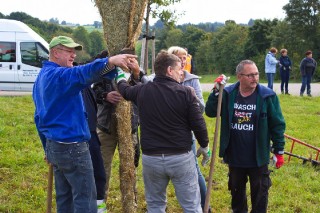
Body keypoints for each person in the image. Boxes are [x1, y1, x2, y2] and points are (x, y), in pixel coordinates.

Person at [32, 35, 136, 212]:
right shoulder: (60, 76)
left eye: (74, 52)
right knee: (86, 198)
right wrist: (110, 61)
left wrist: (47, 149)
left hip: (55, 146)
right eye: (69, 51)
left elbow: (38, 118)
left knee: (65, 198)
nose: (73, 55)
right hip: (73, 147)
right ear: (55, 52)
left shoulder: (43, 76)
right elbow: (83, 72)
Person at [116, 50, 210, 212]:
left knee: (155, 205)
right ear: (169, 70)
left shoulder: (142, 90)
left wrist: (120, 75)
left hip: (152, 159)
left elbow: (124, 91)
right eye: (180, 68)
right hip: (180, 158)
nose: (182, 72)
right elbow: (198, 124)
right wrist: (205, 145)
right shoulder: (186, 93)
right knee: (191, 205)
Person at [205, 60, 286, 213]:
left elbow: (277, 124)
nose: (254, 78)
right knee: (236, 192)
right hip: (235, 156)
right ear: (239, 76)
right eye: (250, 75)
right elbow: (210, 112)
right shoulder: (228, 94)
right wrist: (216, 92)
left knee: (260, 194)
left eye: (256, 74)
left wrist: (279, 150)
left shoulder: (267, 96)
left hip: (258, 156)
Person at [92, 48, 142, 206]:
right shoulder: (104, 69)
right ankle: (100, 202)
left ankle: (130, 203)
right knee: (102, 167)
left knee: (129, 168)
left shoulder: (136, 71)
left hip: (130, 127)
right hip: (106, 126)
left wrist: (136, 74)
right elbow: (93, 90)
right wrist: (105, 96)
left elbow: (143, 91)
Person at [167, 46, 208, 211]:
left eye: (185, 58)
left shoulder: (192, 79)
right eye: (179, 58)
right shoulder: (158, 78)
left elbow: (202, 108)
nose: (183, 61)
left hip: (186, 132)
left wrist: (188, 95)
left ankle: (205, 206)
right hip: (165, 133)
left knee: (195, 171)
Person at [81, 86, 107, 213]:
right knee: (86, 179)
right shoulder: (78, 84)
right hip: (83, 136)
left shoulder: (86, 85)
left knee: (99, 175)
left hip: (91, 134)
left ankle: (99, 208)